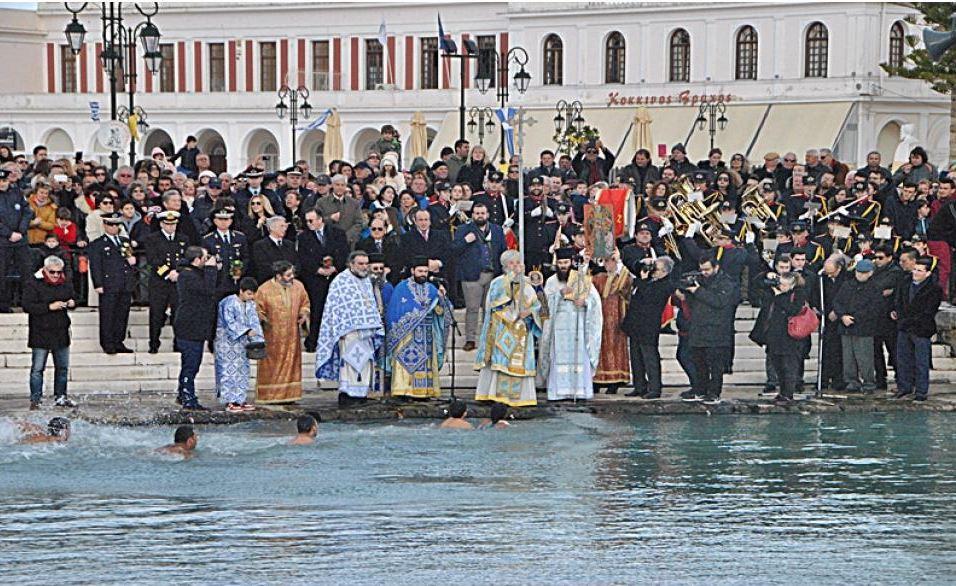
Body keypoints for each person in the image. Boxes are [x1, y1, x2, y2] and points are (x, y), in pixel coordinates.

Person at [316, 251, 386, 406]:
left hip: (366, 331)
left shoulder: (366, 281)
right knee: (350, 363)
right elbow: (334, 308)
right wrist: (338, 329)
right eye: (360, 264)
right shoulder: (341, 281)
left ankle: (361, 394)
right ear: (351, 264)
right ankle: (348, 395)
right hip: (348, 331)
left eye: (366, 264)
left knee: (365, 362)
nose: (364, 267)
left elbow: (370, 304)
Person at [474, 250, 543, 407]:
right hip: (502, 328)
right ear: (505, 266)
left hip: (522, 330)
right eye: (512, 263)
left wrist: (530, 312)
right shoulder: (498, 282)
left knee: (519, 363)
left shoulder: (528, 284)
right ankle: (495, 395)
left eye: (518, 262)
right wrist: (513, 277)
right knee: (501, 363)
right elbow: (495, 302)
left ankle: (521, 397)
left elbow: (541, 306)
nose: (516, 266)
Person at [539, 249, 602, 401]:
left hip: (577, 328)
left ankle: (579, 391)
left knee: (579, 358)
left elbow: (596, 303)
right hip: (558, 329)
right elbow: (543, 307)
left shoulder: (581, 278)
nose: (563, 266)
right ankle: (558, 392)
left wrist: (585, 302)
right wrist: (559, 295)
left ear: (571, 262)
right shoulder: (551, 282)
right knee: (558, 358)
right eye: (560, 263)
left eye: (566, 262)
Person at [385, 257, 452, 400]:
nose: (423, 274)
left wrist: (441, 299)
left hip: (427, 333)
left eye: (426, 272)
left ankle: (425, 391)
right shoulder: (401, 287)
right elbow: (395, 312)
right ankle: (405, 391)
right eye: (420, 271)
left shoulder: (432, 288)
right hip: (407, 334)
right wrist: (414, 316)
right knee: (407, 361)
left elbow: (440, 311)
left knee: (425, 362)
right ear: (412, 271)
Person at [681, 254, 739, 404]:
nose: (704, 273)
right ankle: (700, 390)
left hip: (717, 329)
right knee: (699, 362)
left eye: (707, 269)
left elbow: (719, 301)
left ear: (716, 267)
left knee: (715, 365)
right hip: (698, 327)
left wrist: (698, 291)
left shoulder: (726, 282)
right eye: (702, 270)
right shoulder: (698, 279)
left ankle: (714, 393)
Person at [22, 256, 76, 410]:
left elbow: (73, 296)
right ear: (45, 270)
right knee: (38, 369)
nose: (56, 275)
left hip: (60, 330)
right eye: (52, 272)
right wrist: (49, 307)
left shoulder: (65, 282)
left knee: (62, 368)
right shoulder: (33, 283)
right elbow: (27, 305)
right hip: (40, 331)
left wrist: (72, 303)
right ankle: (36, 399)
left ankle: (61, 397)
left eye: (59, 272)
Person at [452, 202, 507, 351]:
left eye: (482, 213)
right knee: (472, 309)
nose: (480, 216)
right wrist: (465, 241)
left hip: (493, 274)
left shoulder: (497, 230)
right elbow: (453, 249)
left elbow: (503, 250)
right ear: (472, 215)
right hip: (471, 276)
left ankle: (489, 338)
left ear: (487, 214)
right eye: (477, 213)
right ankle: (470, 339)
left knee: (490, 309)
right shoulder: (463, 229)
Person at [254, 260, 310, 404]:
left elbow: (305, 303)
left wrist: (303, 314)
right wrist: (262, 320)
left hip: (292, 336)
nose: (292, 277)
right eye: (288, 275)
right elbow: (257, 309)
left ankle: (290, 395)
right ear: (278, 276)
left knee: (292, 364)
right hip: (272, 337)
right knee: (271, 366)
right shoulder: (264, 289)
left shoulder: (298, 286)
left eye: (292, 274)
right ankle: (270, 396)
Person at [622, 257, 677, 399]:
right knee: (636, 357)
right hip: (636, 323)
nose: (653, 271)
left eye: (656, 268)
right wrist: (644, 263)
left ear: (664, 271)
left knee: (649, 357)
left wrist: (643, 280)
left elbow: (649, 297)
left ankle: (654, 388)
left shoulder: (666, 284)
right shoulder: (649, 279)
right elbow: (633, 266)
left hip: (648, 326)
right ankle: (639, 386)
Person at [297, 208, 349, 353]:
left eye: (311, 220)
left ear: (320, 219)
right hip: (315, 280)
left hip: (335, 277)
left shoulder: (337, 233)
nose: (308, 224)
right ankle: (313, 341)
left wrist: (335, 268)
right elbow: (303, 258)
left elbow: (344, 252)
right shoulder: (303, 237)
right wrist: (317, 269)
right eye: (307, 221)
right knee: (316, 310)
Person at [173, 246, 218, 410]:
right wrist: (211, 269)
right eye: (205, 258)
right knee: (191, 364)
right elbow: (208, 289)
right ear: (197, 260)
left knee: (191, 363)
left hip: (196, 325)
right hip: (189, 325)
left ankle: (183, 393)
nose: (207, 261)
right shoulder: (187, 275)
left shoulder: (195, 273)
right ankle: (188, 397)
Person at [751, 272, 808, 405]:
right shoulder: (773, 292)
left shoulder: (798, 294)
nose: (780, 286)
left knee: (789, 366)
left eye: (783, 284)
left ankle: (788, 394)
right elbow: (757, 285)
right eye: (780, 284)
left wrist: (779, 296)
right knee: (778, 365)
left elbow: (793, 310)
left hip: (790, 337)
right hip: (774, 335)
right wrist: (767, 276)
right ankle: (782, 392)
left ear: (791, 285)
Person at [892, 256, 943, 401]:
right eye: (914, 269)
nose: (915, 273)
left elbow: (929, 310)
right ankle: (904, 387)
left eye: (919, 271)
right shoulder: (905, 283)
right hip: (904, 327)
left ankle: (921, 391)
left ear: (928, 273)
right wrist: (898, 314)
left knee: (921, 361)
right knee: (903, 359)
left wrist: (909, 320)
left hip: (921, 328)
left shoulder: (934, 289)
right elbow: (898, 301)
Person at [87, 211, 136, 354]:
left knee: (122, 314)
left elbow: (129, 259)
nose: (114, 227)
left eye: (116, 225)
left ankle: (119, 341)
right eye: (111, 225)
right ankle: (107, 343)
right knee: (108, 315)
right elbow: (95, 265)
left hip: (124, 283)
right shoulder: (98, 244)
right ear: (105, 225)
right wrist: (98, 284)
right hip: (109, 283)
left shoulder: (124, 241)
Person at [215, 277, 265, 412]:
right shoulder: (228, 303)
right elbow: (229, 323)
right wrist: (246, 331)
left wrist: (258, 339)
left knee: (243, 371)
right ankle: (229, 401)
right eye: (249, 293)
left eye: (253, 294)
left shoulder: (251, 304)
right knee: (228, 371)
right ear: (241, 291)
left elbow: (254, 322)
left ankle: (240, 399)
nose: (251, 296)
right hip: (227, 343)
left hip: (243, 343)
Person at [833, 259, 882, 394]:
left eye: (864, 273)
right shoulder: (847, 285)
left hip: (864, 327)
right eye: (858, 272)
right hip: (846, 326)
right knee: (848, 357)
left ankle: (869, 382)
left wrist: (854, 318)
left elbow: (874, 308)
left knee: (865, 357)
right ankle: (851, 381)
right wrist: (843, 316)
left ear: (870, 273)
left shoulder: (875, 288)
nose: (860, 275)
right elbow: (837, 302)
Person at [142, 211, 189, 353]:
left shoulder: (183, 239)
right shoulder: (152, 239)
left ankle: (178, 343)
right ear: (162, 224)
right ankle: (154, 343)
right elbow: (153, 260)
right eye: (167, 224)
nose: (171, 227)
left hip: (177, 282)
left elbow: (186, 259)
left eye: (173, 224)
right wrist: (168, 273)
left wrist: (179, 272)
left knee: (178, 314)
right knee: (156, 314)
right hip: (160, 282)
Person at [591, 251, 633, 395]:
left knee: (615, 348)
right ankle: (597, 380)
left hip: (617, 318)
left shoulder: (622, 276)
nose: (608, 264)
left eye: (611, 261)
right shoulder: (598, 277)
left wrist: (619, 263)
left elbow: (626, 287)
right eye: (606, 261)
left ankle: (615, 380)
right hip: (599, 317)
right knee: (599, 347)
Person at [0, 168, 35, 313]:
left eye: (4, 180)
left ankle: (28, 303)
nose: (2, 183)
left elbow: (28, 212)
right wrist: (8, 234)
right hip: (2, 242)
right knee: (1, 274)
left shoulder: (17, 193)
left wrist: (20, 231)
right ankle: (3, 305)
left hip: (21, 241)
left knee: (27, 272)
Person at [250, 215, 298, 285]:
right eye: (282, 226)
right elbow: (262, 266)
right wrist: (282, 274)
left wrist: (290, 274)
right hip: (269, 284)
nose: (285, 229)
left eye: (285, 226)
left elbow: (297, 262)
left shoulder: (290, 244)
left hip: (291, 283)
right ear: (272, 228)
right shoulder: (260, 246)